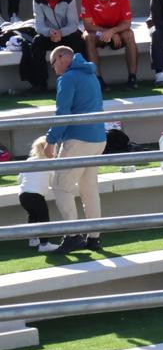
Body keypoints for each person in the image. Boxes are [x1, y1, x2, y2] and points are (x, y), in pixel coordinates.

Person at [34, 47, 109, 255]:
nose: (53, 68)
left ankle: (72, 235)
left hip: (79, 139)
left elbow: (63, 113)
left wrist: (50, 140)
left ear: (62, 57)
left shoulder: (68, 78)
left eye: (53, 63)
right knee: (89, 189)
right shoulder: (90, 74)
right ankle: (94, 238)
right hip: (98, 138)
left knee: (60, 185)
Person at [30, 0, 87, 89]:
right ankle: (40, 83)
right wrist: (50, 32)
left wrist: (61, 33)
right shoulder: (37, 0)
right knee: (37, 43)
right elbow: (39, 25)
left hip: (67, 34)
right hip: (49, 35)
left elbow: (73, 24)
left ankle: (83, 79)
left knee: (79, 41)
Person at [81, 0, 139, 88]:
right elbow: (88, 26)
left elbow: (127, 23)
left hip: (117, 30)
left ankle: (132, 78)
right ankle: (98, 80)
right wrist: (108, 32)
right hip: (98, 33)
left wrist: (113, 31)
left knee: (129, 34)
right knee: (88, 37)